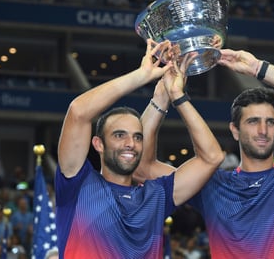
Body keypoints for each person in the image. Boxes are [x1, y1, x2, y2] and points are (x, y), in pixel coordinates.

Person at [139, 48, 274, 258]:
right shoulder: (211, 186)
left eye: (270, 122)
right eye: (253, 122)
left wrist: (258, 68)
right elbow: (143, 168)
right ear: (235, 130)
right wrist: (161, 97)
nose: (263, 131)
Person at [55, 39, 224, 259]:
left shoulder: (156, 195)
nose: (130, 144)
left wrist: (175, 97)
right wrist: (141, 76)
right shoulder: (77, 185)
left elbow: (212, 158)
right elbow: (78, 112)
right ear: (98, 144)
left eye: (137, 137)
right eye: (119, 135)